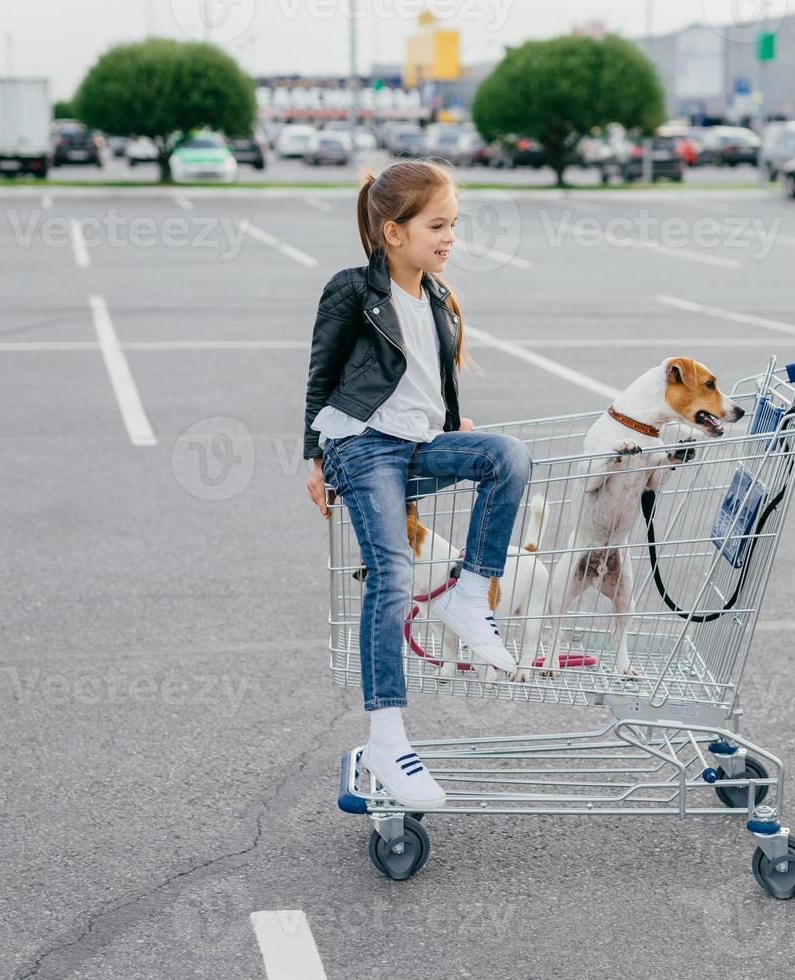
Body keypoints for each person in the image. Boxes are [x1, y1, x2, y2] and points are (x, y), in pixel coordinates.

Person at [304, 160, 532, 812]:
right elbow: (319, 376)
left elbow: (434, 380)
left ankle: (467, 594)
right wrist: (312, 459)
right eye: (437, 225)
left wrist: (454, 423)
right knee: (394, 573)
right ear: (391, 231)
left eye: (453, 224)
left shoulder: (438, 296)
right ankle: (387, 737)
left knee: (508, 456)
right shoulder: (352, 290)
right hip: (360, 448)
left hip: (416, 446)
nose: (450, 237)